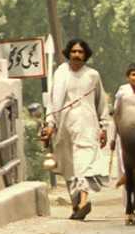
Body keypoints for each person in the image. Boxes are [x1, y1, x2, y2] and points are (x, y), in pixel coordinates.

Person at [40, 39, 110, 220]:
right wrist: (50, 124)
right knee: (70, 168)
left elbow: (101, 102)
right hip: (65, 126)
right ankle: (75, 206)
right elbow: (53, 102)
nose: (77, 55)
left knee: (84, 163)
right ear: (68, 53)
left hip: (87, 124)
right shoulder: (61, 74)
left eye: (80, 52)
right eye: (74, 52)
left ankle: (84, 202)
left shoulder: (92, 75)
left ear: (86, 54)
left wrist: (103, 127)